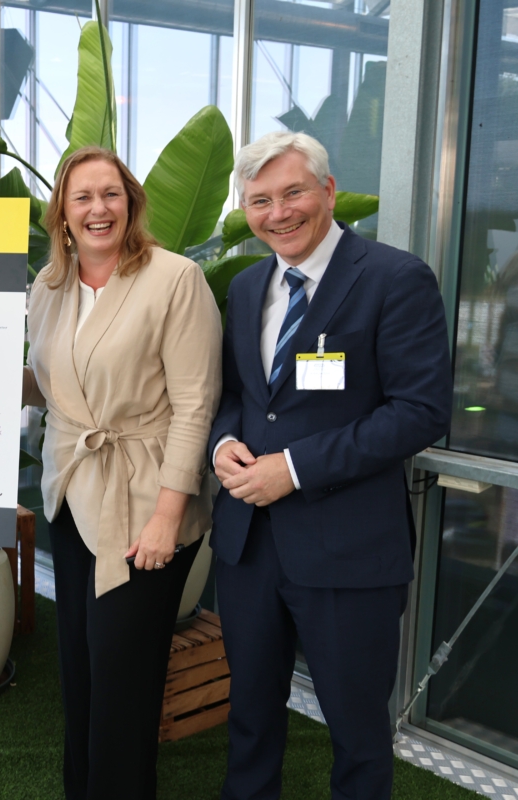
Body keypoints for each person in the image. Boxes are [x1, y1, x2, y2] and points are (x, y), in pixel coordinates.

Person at [209, 132, 452, 800]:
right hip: (249, 547)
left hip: (349, 549)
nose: (278, 213)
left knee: (357, 734)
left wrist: (293, 467)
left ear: (328, 191)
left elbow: (420, 411)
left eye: (293, 193)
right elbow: (237, 395)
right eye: (260, 200)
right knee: (250, 718)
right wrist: (222, 445)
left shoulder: (395, 278)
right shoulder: (247, 287)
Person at [23, 146, 222, 799]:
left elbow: (195, 405)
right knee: (81, 675)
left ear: (131, 203)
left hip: (144, 504)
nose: (97, 208)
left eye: (110, 193)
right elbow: (56, 386)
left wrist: (168, 517)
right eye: (82, 196)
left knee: (122, 688)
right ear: (62, 211)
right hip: (72, 495)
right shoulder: (49, 287)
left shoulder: (174, 279)